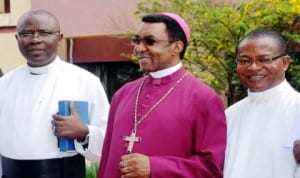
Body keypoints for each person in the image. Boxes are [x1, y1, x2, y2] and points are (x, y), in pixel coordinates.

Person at [98, 12, 227, 178]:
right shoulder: (123, 94)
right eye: (137, 41)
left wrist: (155, 167)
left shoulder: (204, 98)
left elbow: (211, 168)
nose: (139, 48)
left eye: (150, 41)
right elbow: (106, 160)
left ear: (176, 47)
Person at [0, 9, 109, 178]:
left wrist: (84, 132)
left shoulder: (85, 81)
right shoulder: (5, 84)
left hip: (64, 173)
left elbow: (109, 140)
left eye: (44, 33)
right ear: (17, 39)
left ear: (59, 38)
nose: (36, 40)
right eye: (27, 33)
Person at [224, 29, 300, 178]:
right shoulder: (229, 115)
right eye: (244, 61)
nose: (253, 67)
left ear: (285, 63)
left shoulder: (297, 108)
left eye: (264, 59)